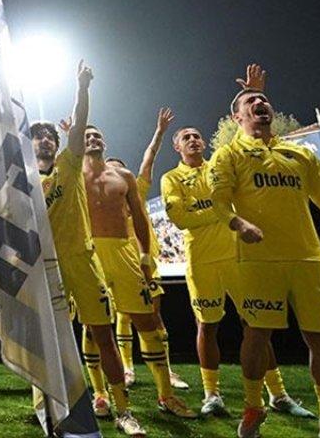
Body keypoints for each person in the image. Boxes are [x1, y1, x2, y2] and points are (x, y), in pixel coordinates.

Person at [210, 84, 320, 438]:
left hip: (308, 259)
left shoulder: (300, 154)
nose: (260, 102)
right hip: (258, 261)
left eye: (263, 98)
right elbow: (218, 201)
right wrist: (238, 223)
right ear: (237, 117)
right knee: (257, 335)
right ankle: (254, 406)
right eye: (251, 101)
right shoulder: (229, 154)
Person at [162, 114, 313, 419]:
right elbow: (180, 219)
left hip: (238, 256)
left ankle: (278, 394)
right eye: (186, 137)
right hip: (202, 262)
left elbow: (210, 209)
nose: (193, 140)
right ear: (177, 147)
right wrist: (221, 211)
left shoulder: (221, 165)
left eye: (196, 135)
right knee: (207, 326)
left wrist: (207, 211)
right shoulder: (171, 178)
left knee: (256, 324)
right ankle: (211, 394)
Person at [30, 61, 143, 437]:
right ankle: (48, 410)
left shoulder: (69, 162)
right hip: (44, 267)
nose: (45, 140)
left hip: (82, 259)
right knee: (46, 341)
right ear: (29, 145)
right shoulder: (23, 182)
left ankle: (123, 410)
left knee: (103, 334)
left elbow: (79, 123)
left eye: (50, 136)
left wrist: (81, 87)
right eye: (38, 137)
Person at [80, 123, 197, 420]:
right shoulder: (72, 174)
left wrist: (144, 257)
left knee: (147, 321)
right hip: (89, 254)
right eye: (86, 136)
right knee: (93, 327)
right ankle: (100, 394)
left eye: (97, 135)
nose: (93, 138)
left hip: (124, 252)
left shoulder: (124, 176)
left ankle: (165, 395)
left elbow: (141, 218)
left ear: (104, 142)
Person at [105, 108, 187, 392]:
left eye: (119, 167)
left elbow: (148, 157)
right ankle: (127, 368)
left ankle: (167, 370)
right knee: (122, 316)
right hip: (118, 261)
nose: (115, 172)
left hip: (145, 261)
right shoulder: (102, 199)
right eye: (109, 168)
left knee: (154, 315)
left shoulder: (136, 189)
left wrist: (160, 132)